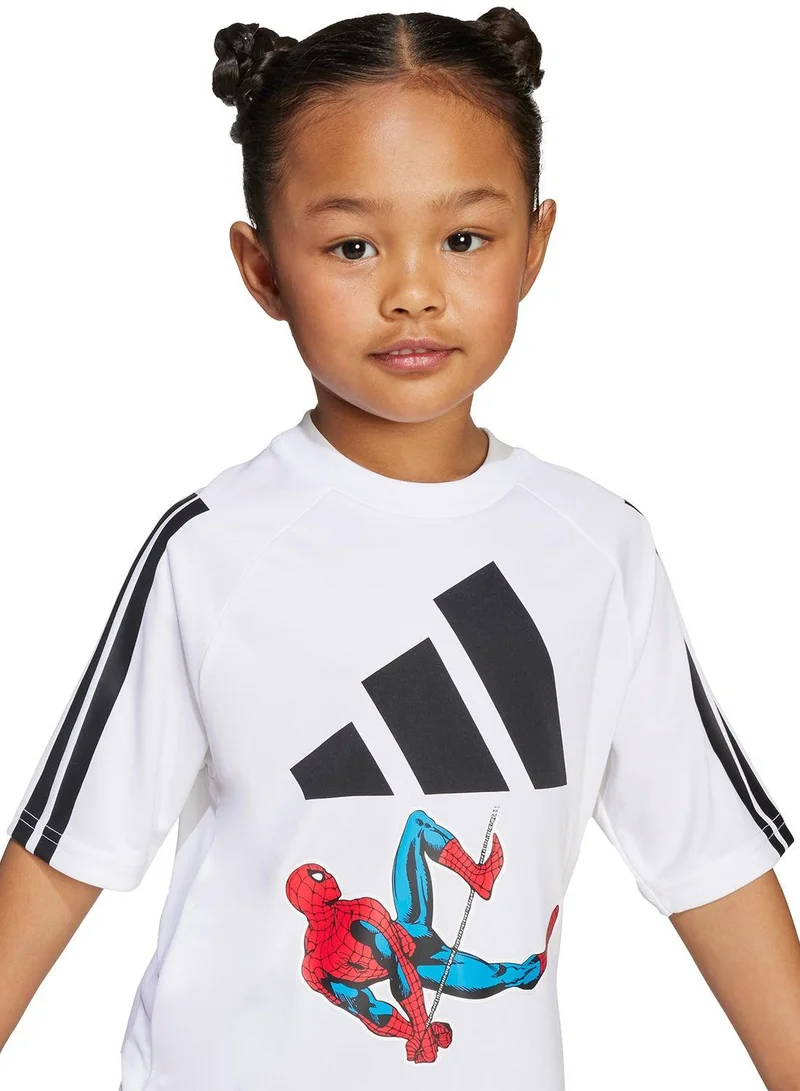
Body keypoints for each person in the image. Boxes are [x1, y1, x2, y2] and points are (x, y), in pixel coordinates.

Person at [0, 7, 797, 1090]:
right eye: (352, 246)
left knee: (490, 966)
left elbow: (711, 862)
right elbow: (63, 859)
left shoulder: (598, 549)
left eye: (464, 239)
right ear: (262, 268)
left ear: (535, 244)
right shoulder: (212, 550)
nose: (412, 289)